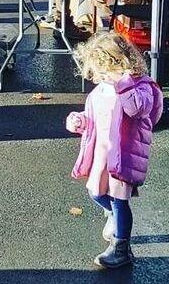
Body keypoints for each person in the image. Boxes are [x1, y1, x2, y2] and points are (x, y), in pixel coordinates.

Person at [66, 32, 163, 269]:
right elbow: (94, 117)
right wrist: (80, 121)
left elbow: (137, 109)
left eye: (101, 70)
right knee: (96, 192)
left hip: (124, 154)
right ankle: (113, 216)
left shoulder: (140, 87)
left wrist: (123, 82)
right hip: (102, 152)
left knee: (120, 201)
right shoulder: (100, 90)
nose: (97, 77)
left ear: (116, 63)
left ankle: (121, 247)